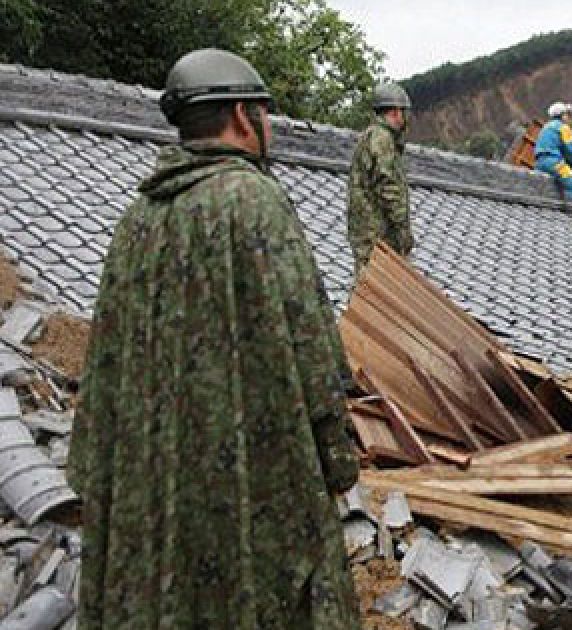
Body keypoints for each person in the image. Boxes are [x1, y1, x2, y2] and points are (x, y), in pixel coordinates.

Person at [68, 49, 361, 629]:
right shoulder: (254, 201)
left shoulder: (137, 220)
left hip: (154, 473)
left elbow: (103, 361)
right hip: (252, 472)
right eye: (263, 113)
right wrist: (335, 453)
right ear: (242, 116)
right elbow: (310, 341)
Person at [348, 82, 414, 272]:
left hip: (370, 233)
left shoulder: (372, 136)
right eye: (403, 112)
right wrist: (403, 229)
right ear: (395, 112)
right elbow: (388, 186)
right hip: (377, 234)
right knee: (375, 288)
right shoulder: (381, 137)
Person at [535, 102, 572, 224]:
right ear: (563, 116)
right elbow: (571, 151)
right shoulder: (564, 128)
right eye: (568, 115)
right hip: (554, 162)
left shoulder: (546, 127)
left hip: (539, 162)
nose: (570, 118)